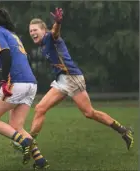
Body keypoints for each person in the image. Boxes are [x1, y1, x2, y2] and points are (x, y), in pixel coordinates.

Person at [25, 7, 134, 163]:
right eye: (30, 31)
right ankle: (123, 131)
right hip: (65, 79)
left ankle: (28, 142)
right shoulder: (42, 44)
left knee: (48, 109)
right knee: (83, 112)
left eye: (35, 30)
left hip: (70, 78)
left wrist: (57, 22)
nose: (32, 33)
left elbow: (56, 33)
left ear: (44, 30)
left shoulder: (50, 37)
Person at [0, 8, 49, 169]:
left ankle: (23, 142)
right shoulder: (12, 35)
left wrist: (4, 80)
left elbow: (5, 54)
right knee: (16, 126)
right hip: (31, 84)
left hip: (17, 83)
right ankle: (40, 160)